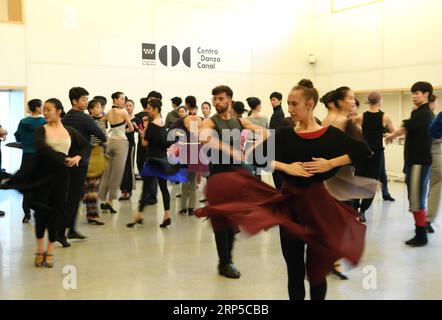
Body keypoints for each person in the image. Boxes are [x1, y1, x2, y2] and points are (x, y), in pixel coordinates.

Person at [196, 80, 372, 300]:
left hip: (319, 208)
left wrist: (330, 163)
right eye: (288, 104)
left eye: (294, 104)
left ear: (309, 104)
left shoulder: (330, 135)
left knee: (317, 273)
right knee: (295, 271)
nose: (289, 109)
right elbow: (255, 156)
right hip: (291, 208)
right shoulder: (285, 135)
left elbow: (363, 150)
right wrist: (285, 166)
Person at [2, 99, 88, 267]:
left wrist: (77, 157)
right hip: (42, 176)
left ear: (59, 111)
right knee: (41, 213)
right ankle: (40, 250)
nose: (45, 113)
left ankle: (50, 250)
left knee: (56, 211)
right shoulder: (41, 130)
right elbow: (43, 149)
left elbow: (85, 147)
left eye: (49, 109)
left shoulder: (70, 132)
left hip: (62, 177)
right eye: (45, 110)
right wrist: (64, 158)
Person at [198, 85, 270, 279]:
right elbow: (203, 137)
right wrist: (228, 149)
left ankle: (227, 259)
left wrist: (249, 150)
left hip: (237, 176)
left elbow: (265, 132)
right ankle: (225, 262)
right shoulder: (210, 122)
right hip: (219, 176)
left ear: (230, 99)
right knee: (221, 220)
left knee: (233, 221)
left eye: (221, 98)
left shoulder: (240, 121)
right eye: (215, 99)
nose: (216, 102)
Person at [386, 81, 435, 247]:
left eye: (417, 93)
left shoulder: (424, 114)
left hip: (419, 162)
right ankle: (422, 229)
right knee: (415, 198)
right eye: (413, 93)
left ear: (426, 94)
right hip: (415, 161)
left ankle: (421, 235)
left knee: (416, 199)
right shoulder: (419, 112)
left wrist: (391, 135)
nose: (414, 96)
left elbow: (405, 128)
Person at [59, 87, 107, 247]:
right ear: (75, 101)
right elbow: (101, 135)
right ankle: (61, 231)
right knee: (73, 198)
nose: (86, 102)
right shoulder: (85, 118)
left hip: (66, 160)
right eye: (84, 99)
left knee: (72, 195)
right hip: (80, 162)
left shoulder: (65, 118)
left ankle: (71, 229)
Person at [127, 99, 175, 228]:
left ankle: (139, 215)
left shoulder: (152, 126)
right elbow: (165, 143)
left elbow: (144, 143)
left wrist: (143, 134)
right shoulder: (163, 124)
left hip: (153, 161)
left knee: (146, 189)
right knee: (164, 188)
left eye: (149, 108)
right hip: (163, 160)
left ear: (156, 109)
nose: (147, 110)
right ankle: (167, 215)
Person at [352, 92, 395, 222]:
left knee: (359, 179)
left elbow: (351, 124)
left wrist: (361, 132)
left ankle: (355, 207)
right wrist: (385, 132)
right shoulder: (385, 117)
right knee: (371, 182)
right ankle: (363, 211)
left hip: (363, 151)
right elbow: (392, 131)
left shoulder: (360, 117)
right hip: (376, 153)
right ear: (380, 101)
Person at [98, 92, 134, 213]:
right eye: (122, 99)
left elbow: (100, 123)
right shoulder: (123, 112)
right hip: (121, 143)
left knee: (107, 172)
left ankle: (103, 199)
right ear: (115, 100)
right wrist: (123, 130)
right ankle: (109, 201)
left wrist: (107, 134)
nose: (123, 101)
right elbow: (131, 129)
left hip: (110, 142)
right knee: (117, 174)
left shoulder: (108, 113)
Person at [14, 99, 47, 223]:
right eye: (42, 106)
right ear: (38, 108)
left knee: (27, 183)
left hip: (27, 155)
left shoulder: (23, 122)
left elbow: (17, 136)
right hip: (41, 156)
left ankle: (26, 213)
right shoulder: (44, 122)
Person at [84, 99, 107, 225]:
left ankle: (92, 214)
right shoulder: (89, 121)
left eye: (101, 107)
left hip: (98, 154)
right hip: (92, 154)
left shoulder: (101, 121)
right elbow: (101, 138)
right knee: (91, 188)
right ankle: (92, 215)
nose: (100, 109)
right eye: (97, 107)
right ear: (91, 109)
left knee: (92, 188)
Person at [119, 99, 141, 200]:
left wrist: (137, 128)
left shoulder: (136, 119)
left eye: (130, 105)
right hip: (121, 144)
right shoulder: (121, 118)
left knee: (129, 167)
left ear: (133, 107)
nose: (128, 107)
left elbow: (142, 132)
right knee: (122, 168)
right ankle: (123, 190)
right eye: (126, 105)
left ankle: (129, 190)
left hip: (130, 145)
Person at [427, 95, 441, 233]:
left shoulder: (419, 113)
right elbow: (434, 135)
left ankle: (425, 218)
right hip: (433, 153)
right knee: (435, 185)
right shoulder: (433, 117)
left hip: (421, 154)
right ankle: (428, 220)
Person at [269, 92, 285, 190]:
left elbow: (276, 130)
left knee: (276, 172)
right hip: (274, 142)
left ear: (280, 101)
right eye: (271, 100)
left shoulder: (279, 113)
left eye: (274, 100)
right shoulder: (276, 112)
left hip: (276, 144)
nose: (272, 102)